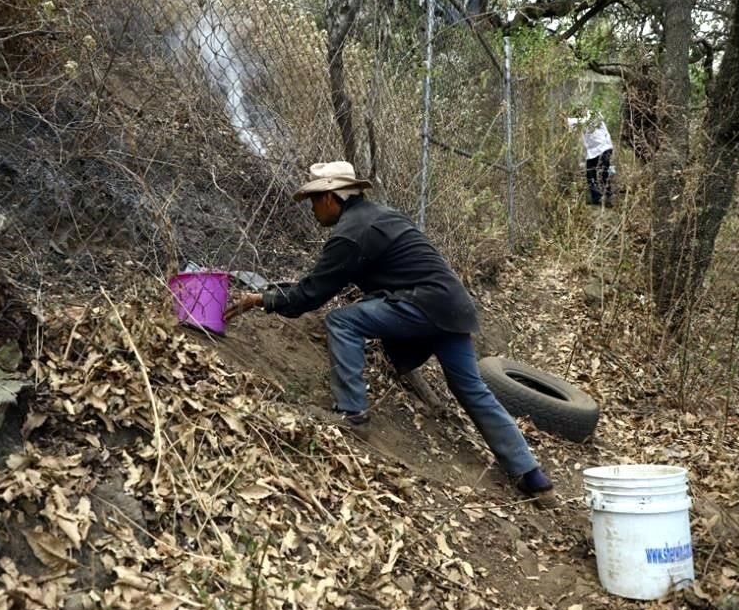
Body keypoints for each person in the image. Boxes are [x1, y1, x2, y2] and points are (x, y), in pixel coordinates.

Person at [223, 161, 554, 499]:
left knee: (342, 321)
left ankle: (351, 412)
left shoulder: (350, 234)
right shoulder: (381, 215)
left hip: (423, 306)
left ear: (331, 198)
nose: (312, 209)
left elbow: (309, 296)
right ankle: (532, 476)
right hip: (452, 307)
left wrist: (258, 300)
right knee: (472, 389)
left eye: (314, 200)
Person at [566, 110, 614, 206]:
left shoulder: (593, 114)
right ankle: (596, 198)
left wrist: (570, 120)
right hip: (592, 151)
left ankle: (608, 197)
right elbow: (571, 126)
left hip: (604, 147)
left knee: (604, 172)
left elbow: (586, 121)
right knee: (590, 174)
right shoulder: (580, 121)